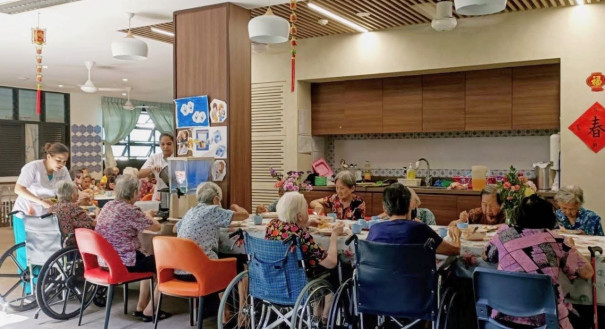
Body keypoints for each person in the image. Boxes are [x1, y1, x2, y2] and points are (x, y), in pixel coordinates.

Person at [483, 194, 593, 329]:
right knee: (584, 318)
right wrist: (573, 247)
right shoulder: (558, 241)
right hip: (545, 321)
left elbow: (486, 256)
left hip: (502, 318)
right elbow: (587, 272)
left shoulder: (503, 234)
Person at [95, 175, 167, 322]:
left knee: (147, 260)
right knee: (165, 266)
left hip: (106, 261)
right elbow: (157, 228)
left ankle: (141, 306)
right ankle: (150, 310)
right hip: (124, 262)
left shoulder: (108, 206)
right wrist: (148, 215)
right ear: (134, 193)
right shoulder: (131, 210)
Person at [174, 182, 249, 281]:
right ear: (216, 199)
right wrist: (235, 207)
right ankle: (240, 297)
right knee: (238, 264)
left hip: (180, 270)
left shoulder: (191, 211)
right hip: (202, 270)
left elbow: (175, 228)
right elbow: (245, 215)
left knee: (222, 257)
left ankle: (217, 295)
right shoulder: (213, 210)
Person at [12, 142, 71, 267]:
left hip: (45, 213)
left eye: (65, 161)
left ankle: (41, 282)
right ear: (49, 156)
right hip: (25, 212)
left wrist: (78, 196)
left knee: (43, 249)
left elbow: (68, 188)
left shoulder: (63, 170)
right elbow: (18, 189)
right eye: (58, 160)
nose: (62, 164)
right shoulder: (33, 167)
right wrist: (41, 201)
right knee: (26, 249)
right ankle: (28, 283)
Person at [368, 183, 460, 256]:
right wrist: (456, 237)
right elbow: (454, 250)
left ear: (385, 209)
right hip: (415, 279)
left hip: (378, 279)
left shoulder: (374, 229)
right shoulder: (420, 229)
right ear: (410, 205)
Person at [266, 192, 344, 271]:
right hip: (297, 278)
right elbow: (331, 263)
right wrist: (334, 235)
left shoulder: (272, 224)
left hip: (274, 274)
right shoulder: (302, 236)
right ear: (300, 216)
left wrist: (305, 224)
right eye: (306, 209)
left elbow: (290, 229)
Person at [49, 180, 95, 247]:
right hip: (72, 242)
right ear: (72, 195)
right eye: (77, 192)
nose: (78, 195)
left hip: (56, 242)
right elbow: (93, 223)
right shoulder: (73, 207)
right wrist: (97, 213)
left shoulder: (52, 208)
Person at [138, 133, 174, 201]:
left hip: (176, 193)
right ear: (159, 145)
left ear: (174, 143)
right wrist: (152, 168)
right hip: (159, 193)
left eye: (169, 144)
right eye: (162, 144)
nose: (165, 147)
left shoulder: (178, 157)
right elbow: (140, 174)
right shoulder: (154, 157)